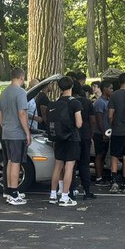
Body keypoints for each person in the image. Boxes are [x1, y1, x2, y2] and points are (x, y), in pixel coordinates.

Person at [0, 67, 32, 206]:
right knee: (16, 163)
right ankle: (14, 194)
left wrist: (4, 126)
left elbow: (0, 113)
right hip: (17, 133)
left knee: (10, 162)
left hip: (6, 132)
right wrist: (27, 132)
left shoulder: (4, 92)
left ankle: (10, 191)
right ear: (21, 77)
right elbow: (22, 113)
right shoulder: (21, 92)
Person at [48, 75, 83, 206]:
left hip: (58, 138)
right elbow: (79, 123)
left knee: (57, 166)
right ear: (72, 86)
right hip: (72, 138)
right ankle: (65, 196)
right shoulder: (75, 103)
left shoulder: (56, 103)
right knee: (69, 167)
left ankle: (53, 194)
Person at [72, 79, 96, 199]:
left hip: (72, 136)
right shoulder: (87, 102)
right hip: (85, 134)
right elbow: (92, 120)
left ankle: (70, 190)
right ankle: (86, 191)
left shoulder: (68, 102)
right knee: (84, 164)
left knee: (71, 164)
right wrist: (91, 134)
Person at [93, 79, 113, 181]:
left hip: (107, 132)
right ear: (105, 89)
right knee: (99, 155)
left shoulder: (108, 101)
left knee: (103, 155)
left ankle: (101, 175)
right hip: (100, 133)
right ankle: (98, 177)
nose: (112, 90)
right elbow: (99, 119)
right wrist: (103, 133)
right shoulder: (100, 102)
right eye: (110, 88)